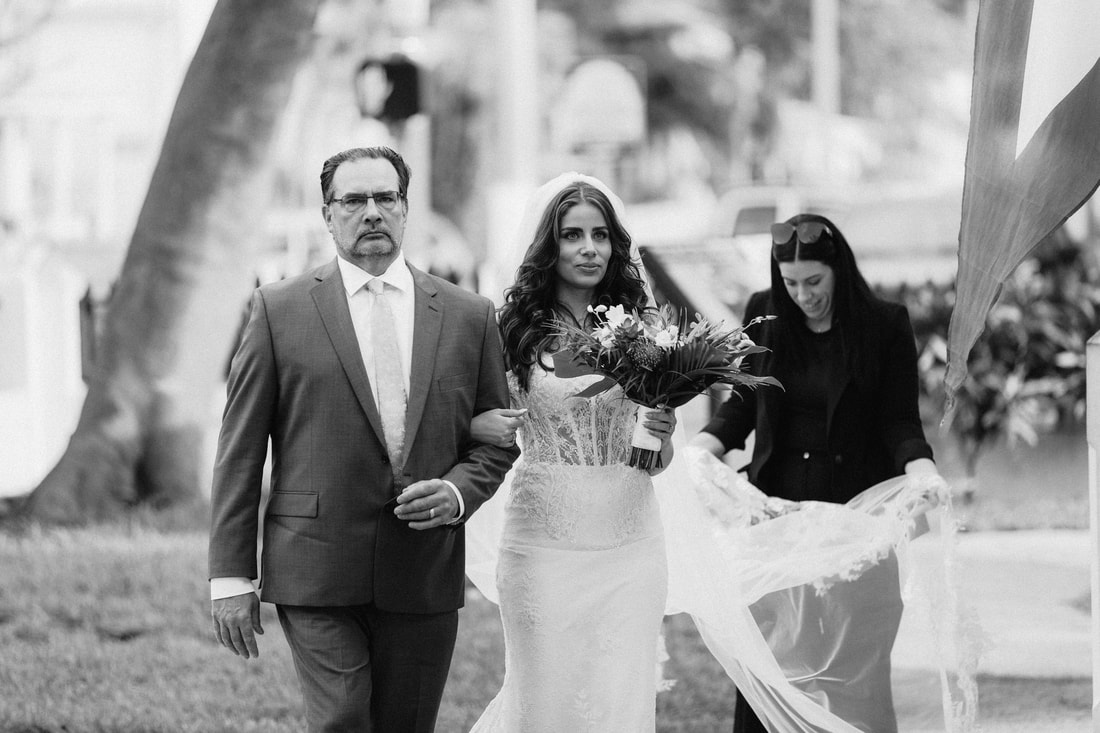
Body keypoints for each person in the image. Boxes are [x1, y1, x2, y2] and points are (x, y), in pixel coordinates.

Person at [208, 146, 519, 733]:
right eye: (353, 200)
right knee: (343, 719)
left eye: (385, 198)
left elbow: (497, 437)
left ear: (406, 209)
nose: (371, 212)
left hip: (423, 568)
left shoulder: (469, 315)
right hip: (314, 566)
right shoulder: (277, 310)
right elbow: (239, 452)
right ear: (327, 215)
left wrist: (456, 493)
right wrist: (230, 577)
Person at [689, 213, 941, 733]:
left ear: (838, 271)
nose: (803, 295)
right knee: (771, 674)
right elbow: (740, 406)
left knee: (858, 679)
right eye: (791, 283)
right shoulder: (765, 313)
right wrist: (700, 450)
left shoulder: (884, 325)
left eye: (814, 282)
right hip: (775, 528)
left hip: (856, 532)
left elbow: (900, 422)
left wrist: (922, 473)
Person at [466, 173, 678, 731]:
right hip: (543, 546)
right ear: (548, 246)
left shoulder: (643, 331)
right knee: (546, 704)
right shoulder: (511, 332)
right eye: (572, 235)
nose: (589, 248)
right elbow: (479, 424)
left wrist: (662, 431)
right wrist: (481, 423)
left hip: (631, 544)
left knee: (619, 703)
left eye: (601, 235)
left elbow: (654, 461)